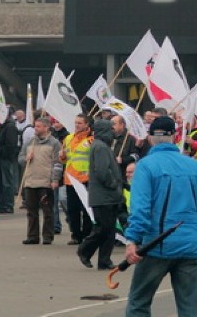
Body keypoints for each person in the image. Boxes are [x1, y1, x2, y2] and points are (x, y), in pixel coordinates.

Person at [125, 116, 197, 317]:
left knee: (138, 303)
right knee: (188, 309)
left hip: (156, 246)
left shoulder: (146, 166)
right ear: (175, 137)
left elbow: (140, 208)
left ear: (150, 137)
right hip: (189, 246)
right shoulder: (193, 166)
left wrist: (132, 239)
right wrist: (195, 229)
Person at [78, 119, 124, 270]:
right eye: (110, 128)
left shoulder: (101, 146)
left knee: (109, 229)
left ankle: (104, 260)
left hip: (105, 195)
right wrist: (113, 184)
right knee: (104, 228)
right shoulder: (101, 147)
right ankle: (85, 250)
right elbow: (102, 171)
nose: (113, 131)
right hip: (104, 195)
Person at [20, 116, 62, 245]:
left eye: (38, 126)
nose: (35, 129)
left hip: (46, 182)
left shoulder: (54, 143)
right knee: (31, 211)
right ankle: (32, 236)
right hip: (30, 181)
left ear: (46, 127)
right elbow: (20, 158)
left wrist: (55, 179)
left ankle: (47, 236)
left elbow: (58, 164)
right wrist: (26, 158)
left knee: (47, 211)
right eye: (35, 126)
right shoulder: (30, 142)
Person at [60, 114, 94, 245]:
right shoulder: (68, 138)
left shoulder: (91, 140)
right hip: (70, 179)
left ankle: (86, 234)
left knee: (86, 209)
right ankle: (75, 235)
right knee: (72, 209)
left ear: (86, 125)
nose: (77, 125)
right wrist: (62, 156)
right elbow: (65, 158)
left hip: (85, 178)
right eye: (76, 123)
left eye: (80, 123)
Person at [0, 109, 19, 214]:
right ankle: (0, 204)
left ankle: (8, 205)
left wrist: (1, 153)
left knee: (7, 182)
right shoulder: (2, 125)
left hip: (5, 158)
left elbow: (11, 145)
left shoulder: (10, 127)